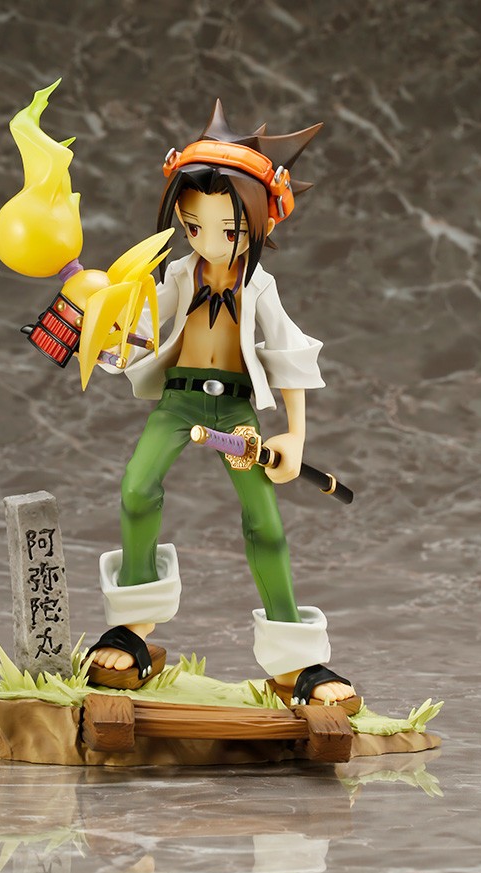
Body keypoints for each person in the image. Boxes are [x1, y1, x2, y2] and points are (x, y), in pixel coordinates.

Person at [86, 101, 356, 707]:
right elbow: (140, 330)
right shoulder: (177, 277)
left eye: (229, 230)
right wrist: (102, 331)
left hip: (236, 414)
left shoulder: (259, 285)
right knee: (136, 489)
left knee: (264, 522)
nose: (209, 242)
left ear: (260, 223)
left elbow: (288, 353)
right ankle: (133, 626)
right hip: (179, 403)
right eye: (194, 227)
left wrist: (295, 437)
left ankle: (298, 663)